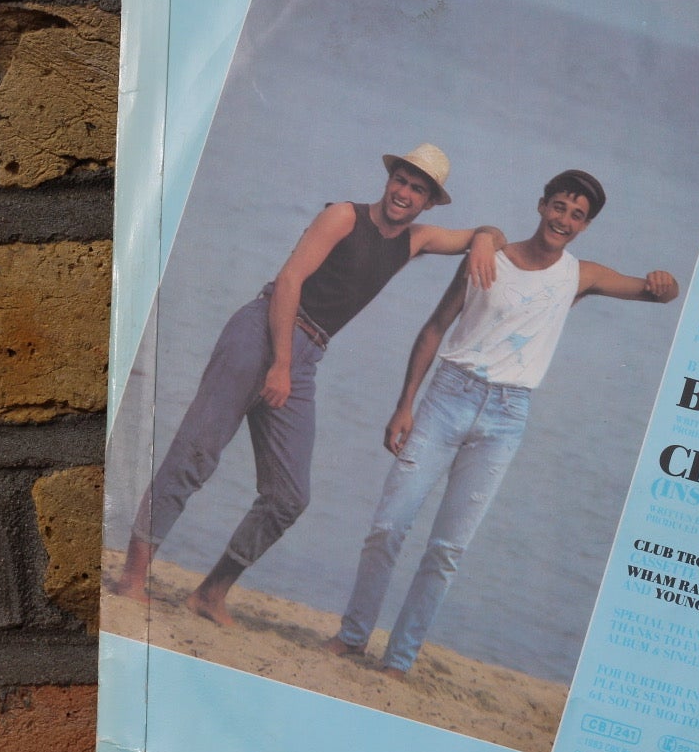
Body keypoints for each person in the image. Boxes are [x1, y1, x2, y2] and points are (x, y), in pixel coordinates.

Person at [111, 144, 504, 627]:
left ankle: (210, 594)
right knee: (196, 454)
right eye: (401, 180)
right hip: (263, 332)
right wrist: (280, 362)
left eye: (417, 189)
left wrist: (482, 241)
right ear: (389, 180)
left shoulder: (416, 240)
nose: (404, 193)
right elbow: (290, 279)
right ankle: (131, 579)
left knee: (289, 496)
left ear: (429, 203)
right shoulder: (344, 216)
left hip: (308, 355)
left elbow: (492, 234)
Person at [328, 169, 679, 675]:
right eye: (559, 207)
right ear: (541, 205)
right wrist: (405, 404)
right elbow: (434, 328)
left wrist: (666, 283)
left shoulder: (580, 276)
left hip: (506, 418)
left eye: (577, 215)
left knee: (447, 550)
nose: (564, 220)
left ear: (585, 226)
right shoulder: (488, 255)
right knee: (388, 526)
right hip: (446, 398)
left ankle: (399, 660)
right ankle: (353, 635)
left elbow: (654, 293)